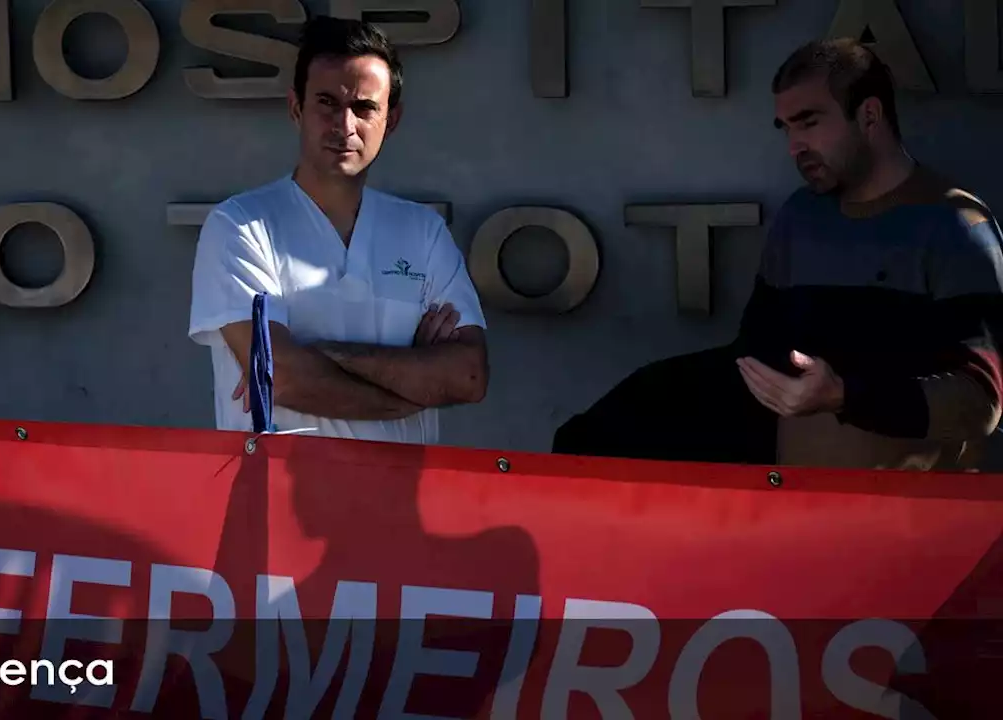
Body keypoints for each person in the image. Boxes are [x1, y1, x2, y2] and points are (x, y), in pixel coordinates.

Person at [555, 38, 1003, 471]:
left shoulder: (955, 227)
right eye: (786, 128)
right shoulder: (801, 217)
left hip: (911, 520)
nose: (794, 147)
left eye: (808, 122)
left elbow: (981, 401)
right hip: (793, 509)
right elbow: (755, 359)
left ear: (869, 115)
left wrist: (845, 396)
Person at [187, 16, 488, 444]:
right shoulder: (241, 227)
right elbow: (283, 377)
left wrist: (324, 354)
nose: (344, 125)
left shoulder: (423, 232)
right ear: (296, 108)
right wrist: (414, 387)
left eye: (365, 108)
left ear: (392, 119)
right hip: (273, 503)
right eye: (327, 102)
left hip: (398, 506)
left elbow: (468, 374)